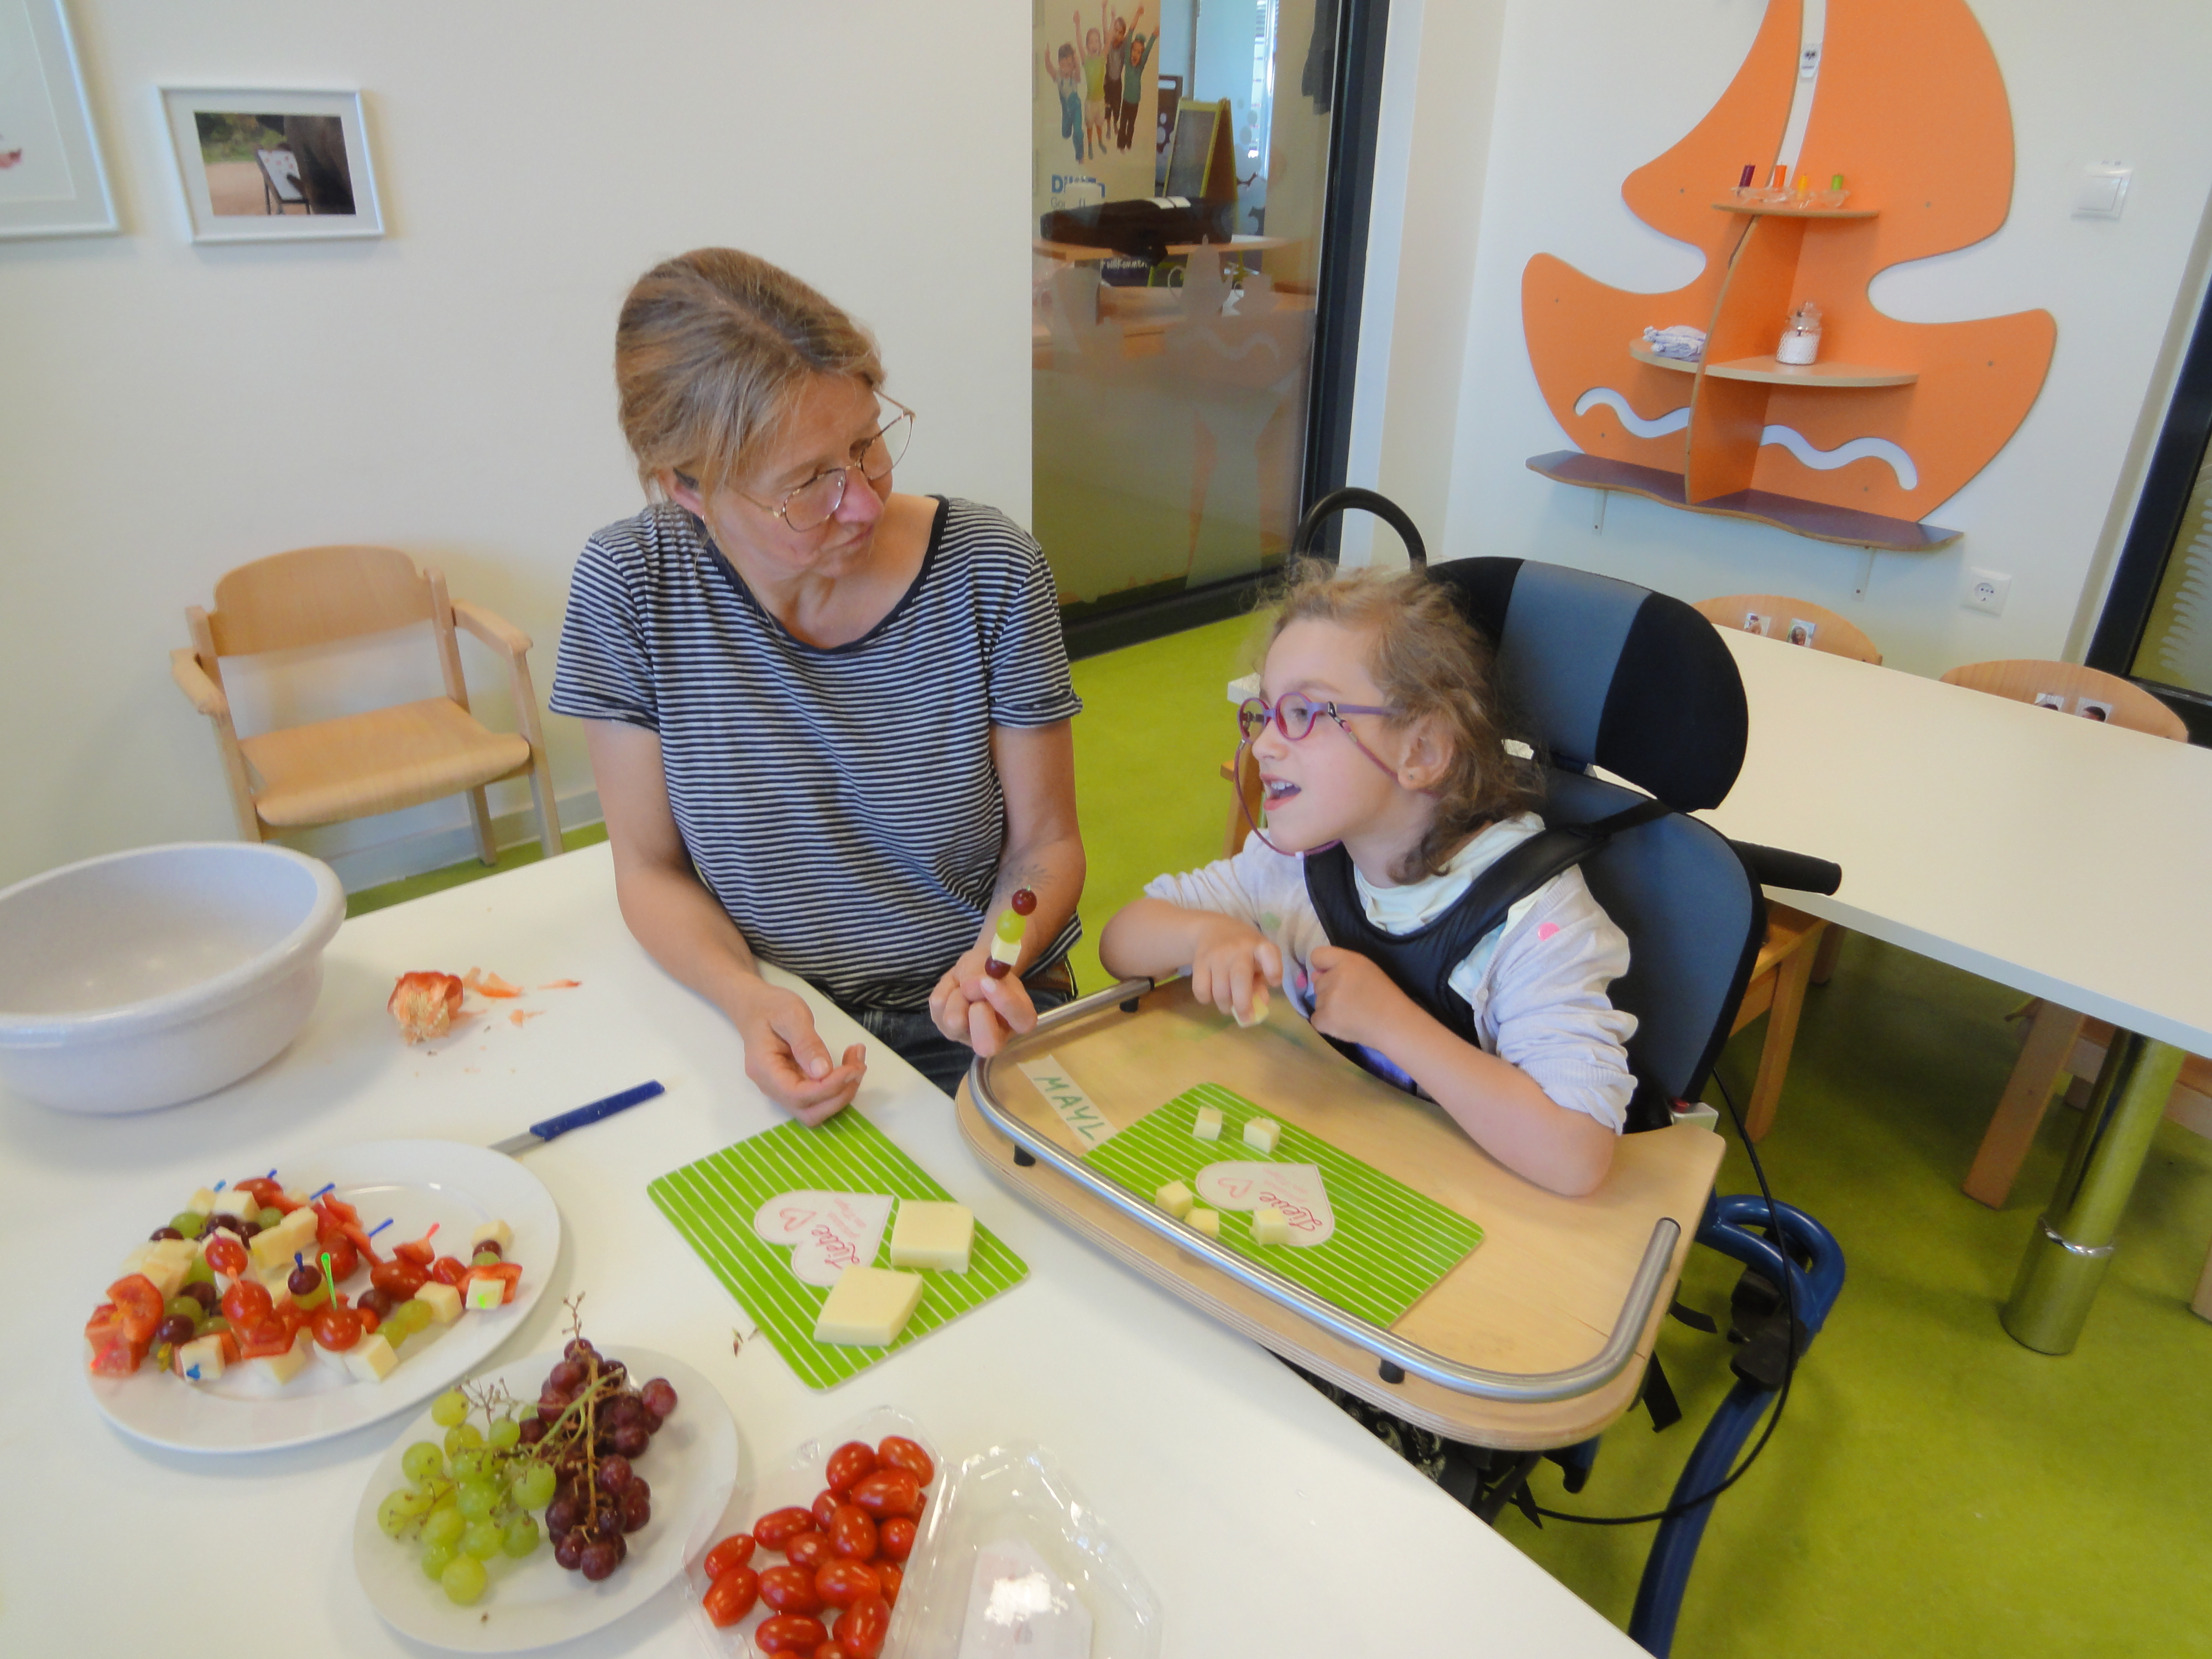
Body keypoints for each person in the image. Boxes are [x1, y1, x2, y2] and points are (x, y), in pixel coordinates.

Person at [551, 249, 1085, 1121]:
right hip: (773, 1008)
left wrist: (997, 961)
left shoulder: (988, 569)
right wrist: (745, 998)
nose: (866, 502)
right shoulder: (633, 587)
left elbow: (1045, 849)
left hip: (981, 1003)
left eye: (868, 443)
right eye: (809, 485)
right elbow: (648, 868)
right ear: (689, 489)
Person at [1099, 561, 1635, 1196]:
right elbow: (1121, 940)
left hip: (1463, 1215)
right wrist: (1203, 936)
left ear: (1422, 753)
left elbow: (1576, 1155)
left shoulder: (1536, 926)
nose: (1265, 744)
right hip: (1337, 1174)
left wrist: (1390, 1022)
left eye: (1302, 712)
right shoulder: (1297, 861)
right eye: (1265, 713)